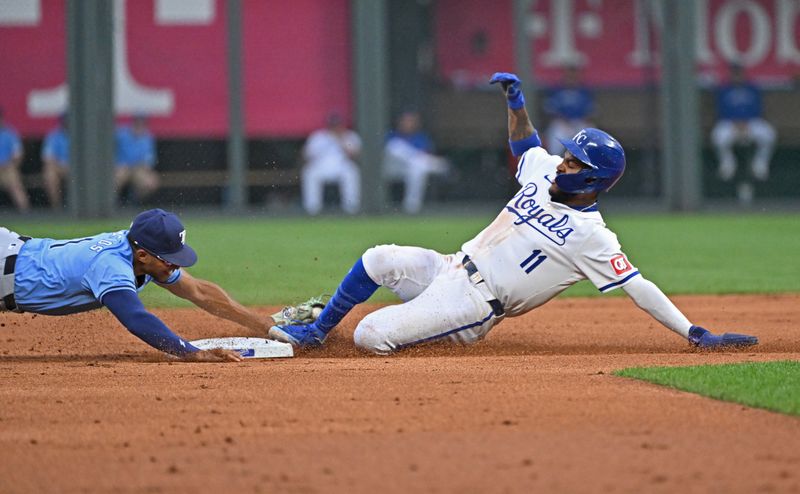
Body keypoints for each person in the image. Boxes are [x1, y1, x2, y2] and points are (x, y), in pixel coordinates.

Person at [269, 72, 758, 354]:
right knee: (378, 257)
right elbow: (526, 143)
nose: (563, 161)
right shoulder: (545, 171)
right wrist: (515, 102)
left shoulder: (592, 236)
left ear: (592, 180)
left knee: (371, 335)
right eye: (567, 154)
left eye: (574, 161)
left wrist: (695, 332)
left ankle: (422, 329)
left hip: (476, 306)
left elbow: (639, 287)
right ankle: (316, 329)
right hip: (451, 266)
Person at [0, 208, 271, 362]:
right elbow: (136, 318)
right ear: (143, 255)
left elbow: (198, 291)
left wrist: (265, 326)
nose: (175, 265)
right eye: (170, 259)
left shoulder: (141, 253)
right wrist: (193, 354)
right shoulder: (111, 267)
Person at [710, 63, 776, 204]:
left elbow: (758, 109)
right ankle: (727, 163)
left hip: (751, 123)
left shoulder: (752, 88)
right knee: (719, 136)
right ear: (731, 75)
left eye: (739, 73)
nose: (737, 77)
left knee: (768, 134)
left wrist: (746, 123)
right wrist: (736, 123)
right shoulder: (724, 89)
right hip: (729, 124)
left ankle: (760, 164)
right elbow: (720, 110)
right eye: (734, 74)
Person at [383, 110, 450, 214]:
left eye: (411, 121)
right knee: (396, 146)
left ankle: (411, 207)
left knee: (417, 168)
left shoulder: (420, 138)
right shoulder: (391, 135)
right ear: (399, 122)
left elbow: (427, 152)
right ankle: (436, 164)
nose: (408, 124)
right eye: (406, 121)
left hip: (410, 170)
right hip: (390, 169)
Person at [300, 112, 361, 215]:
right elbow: (307, 155)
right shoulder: (318, 137)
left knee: (352, 172)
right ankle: (312, 209)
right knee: (309, 173)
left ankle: (351, 208)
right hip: (321, 166)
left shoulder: (349, 136)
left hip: (342, 166)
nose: (335, 127)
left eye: (337, 124)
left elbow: (354, 154)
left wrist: (340, 139)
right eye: (332, 124)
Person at [543, 65, 595, 156]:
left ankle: (590, 164)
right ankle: (554, 161)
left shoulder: (584, 90)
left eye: (574, 75)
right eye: (569, 75)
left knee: (592, 135)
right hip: (562, 123)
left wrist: (580, 122)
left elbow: (590, 112)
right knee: (555, 134)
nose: (572, 78)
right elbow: (551, 111)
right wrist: (564, 122)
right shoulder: (556, 90)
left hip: (580, 122)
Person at [115, 114, 159, 204]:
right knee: (116, 179)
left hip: (138, 168)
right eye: (137, 123)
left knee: (150, 183)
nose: (139, 126)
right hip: (122, 167)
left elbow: (149, 160)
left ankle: (134, 202)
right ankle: (112, 205)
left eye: (142, 124)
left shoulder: (147, 137)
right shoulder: (121, 134)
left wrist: (144, 166)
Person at [0, 108, 30, 212]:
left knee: (14, 183)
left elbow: (18, 155)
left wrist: (8, 165)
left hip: (7, 168)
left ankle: (25, 213)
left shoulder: (10, 133)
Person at [41, 112, 70, 210]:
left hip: (79, 169)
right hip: (60, 167)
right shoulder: (54, 135)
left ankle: (90, 208)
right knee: (50, 173)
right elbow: (48, 158)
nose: (68, 123)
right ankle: (56, 207)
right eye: (66, 120)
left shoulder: (82, 136)